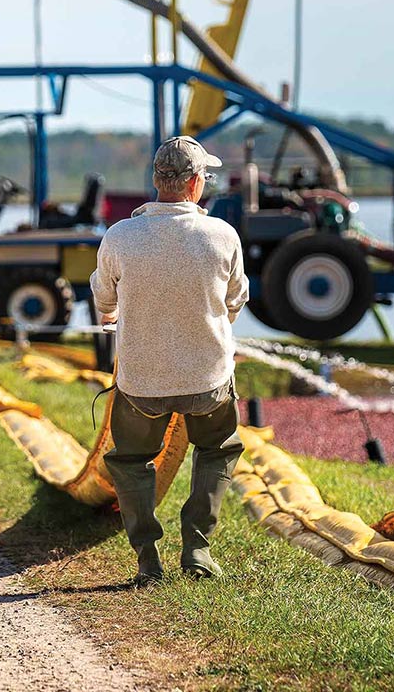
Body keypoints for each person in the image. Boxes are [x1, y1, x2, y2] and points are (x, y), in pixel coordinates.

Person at [90, 136, 249, 585]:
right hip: (209, 379)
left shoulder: (120, 236)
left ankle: (147, 559)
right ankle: (197, 548)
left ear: (157, 180)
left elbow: (105, 300)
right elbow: (235, 300)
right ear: (196, 183)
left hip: (142, 383)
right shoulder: (222, 235)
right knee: (218, 449)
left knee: (131, 460)